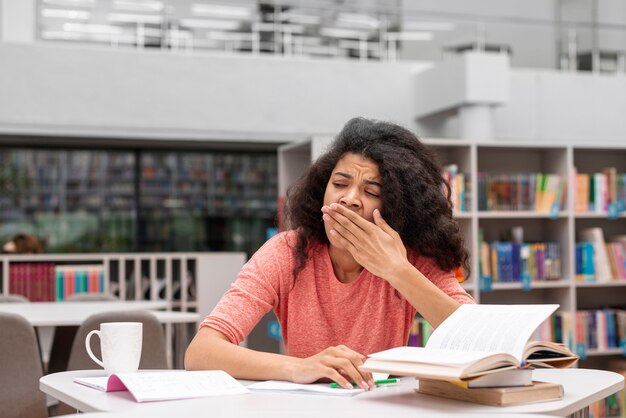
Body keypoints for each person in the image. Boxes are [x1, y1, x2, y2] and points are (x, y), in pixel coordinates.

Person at [185, 117, 475, 390]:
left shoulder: (411, 257)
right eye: (339, 184)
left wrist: (397, 270)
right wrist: (298, 367)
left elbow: (479, 337)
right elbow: (201, 352)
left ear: (398, 208)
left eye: (371, 191)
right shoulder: (287, 251)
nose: (349, 200)